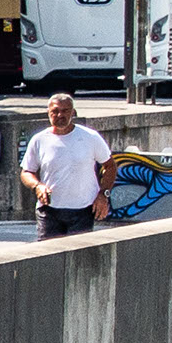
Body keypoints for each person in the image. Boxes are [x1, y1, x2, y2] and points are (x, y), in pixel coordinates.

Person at [19, 92, 112, 238]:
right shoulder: (39, 140)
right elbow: (26, 172)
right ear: (48, 113)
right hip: (48, 211)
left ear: (73, 113)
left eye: (65, 111)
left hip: (82, 210)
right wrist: (37, 186)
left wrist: (103, 194)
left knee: (79, 257)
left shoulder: (90, 137)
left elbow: (110, 166)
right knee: (49, 256)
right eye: (55, 111)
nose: (59, 115)